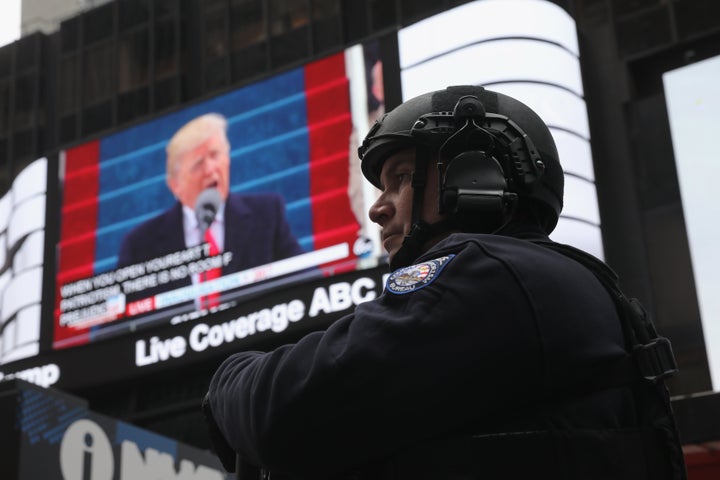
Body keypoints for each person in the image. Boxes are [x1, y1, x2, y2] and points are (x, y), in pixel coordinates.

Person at [202, 86, 686, 479]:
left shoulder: (489, 274)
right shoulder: (546, 278)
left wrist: (228, 377)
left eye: (400, 178)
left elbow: (286, 413)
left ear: (474, 175)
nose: (377, 207)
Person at [117, 113, 303, 306]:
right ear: (175, 186)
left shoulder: (266, 214)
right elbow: (118, 325)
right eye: (198, 164)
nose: (210, 169)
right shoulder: (140, 245)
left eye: (215, 155)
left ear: (228, 159)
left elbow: (307, 284)